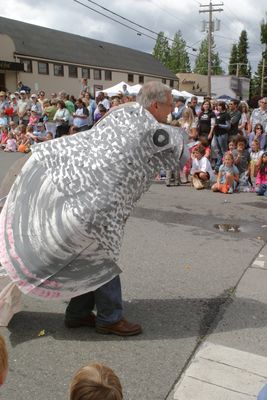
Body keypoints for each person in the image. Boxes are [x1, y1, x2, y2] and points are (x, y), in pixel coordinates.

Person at [64, 81, 175, 336]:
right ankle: (109, 317)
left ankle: (78, 313)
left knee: (90, 255)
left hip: (90, 195)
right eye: (170, 105)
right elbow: (174, 155)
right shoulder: (144, 125)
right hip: (103, 202)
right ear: (156, 105)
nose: (172, 110)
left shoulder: (123, 115)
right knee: (103, 257)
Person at [213, 101, 230, 173]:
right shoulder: (218, 114)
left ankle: (226, 165)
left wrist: (219, 125)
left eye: (219, 106)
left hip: (223, 134)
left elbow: (228, 126)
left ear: (223, 106)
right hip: (216, 134)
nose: (218, 107)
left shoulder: (226, 115)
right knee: (218, 151)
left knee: (224, 151)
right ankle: (218, 166)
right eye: (217, 106)